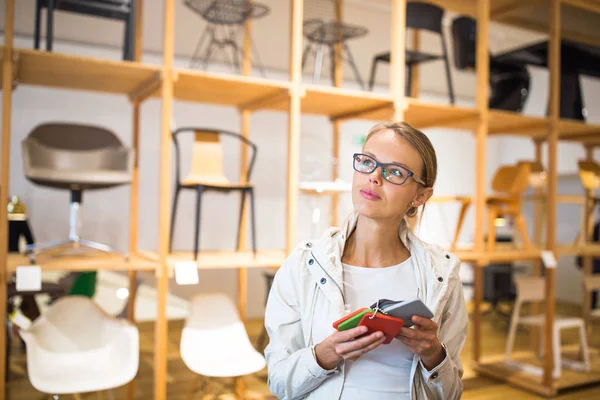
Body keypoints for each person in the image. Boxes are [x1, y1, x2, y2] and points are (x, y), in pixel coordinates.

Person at [263, 121, 468, 400]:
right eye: (367, 162)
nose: (374, 177)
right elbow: (278, 382)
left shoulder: (443, 274)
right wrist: (325, 355)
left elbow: (452, 393)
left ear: (420, 196)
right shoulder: (303, 265)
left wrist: (434, 354)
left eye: (394, 172)